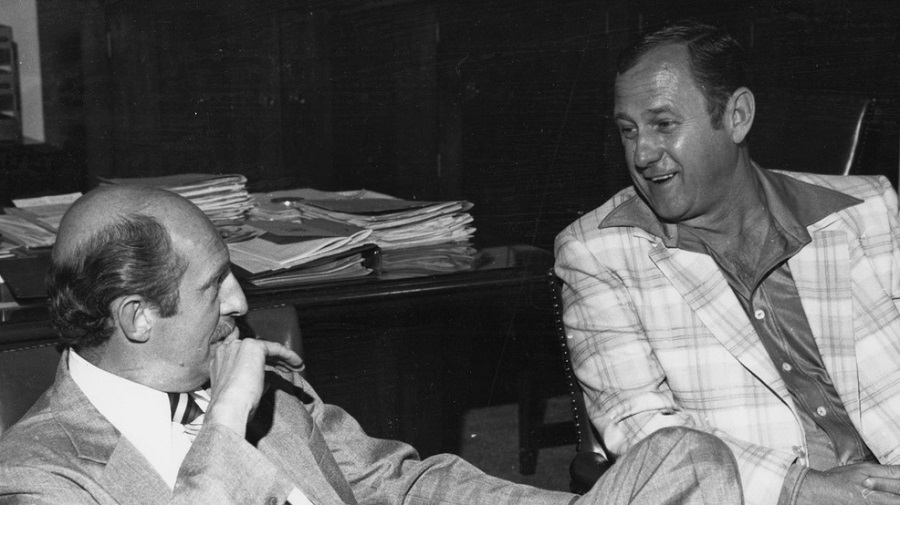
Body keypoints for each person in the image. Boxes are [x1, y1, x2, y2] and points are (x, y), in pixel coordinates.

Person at [0, 185, 741, 505]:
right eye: (215, 284)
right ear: (136, 317)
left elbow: (401, 484)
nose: (240, 302)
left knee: (690, 458)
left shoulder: (256, 384)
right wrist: (225, 423)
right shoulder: (41, 478)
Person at [554, 20, 899, 505]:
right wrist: (805, 491)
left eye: (664, 124)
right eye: (628, 130)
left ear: (737, 116)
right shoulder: (594, 252)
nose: (643, 153)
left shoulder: (872, 209)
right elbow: (644, 433)